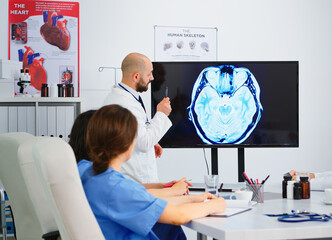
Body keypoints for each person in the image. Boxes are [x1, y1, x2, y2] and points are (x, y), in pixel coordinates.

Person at [79, 104, 226, 239]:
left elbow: (148, 200)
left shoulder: (90, 174)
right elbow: (178, 216)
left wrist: (194, 199)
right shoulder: (116, 188)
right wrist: (216, 204)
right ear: (128, 143)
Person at [68, 110, 190, 198]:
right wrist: (173, 191)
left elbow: (128, 187)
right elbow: (128, 193)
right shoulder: (99, 178)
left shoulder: (84, 169)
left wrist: (164, 186)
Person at [103, 52, 171, 183]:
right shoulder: (126, 103)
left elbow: (137, 135)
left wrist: (152, 142)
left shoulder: (124, 97)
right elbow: (143, 143)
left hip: (134, 179)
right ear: (136, 76)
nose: (152, 78)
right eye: (149, 74)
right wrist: (161, 114)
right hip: (134, 180)